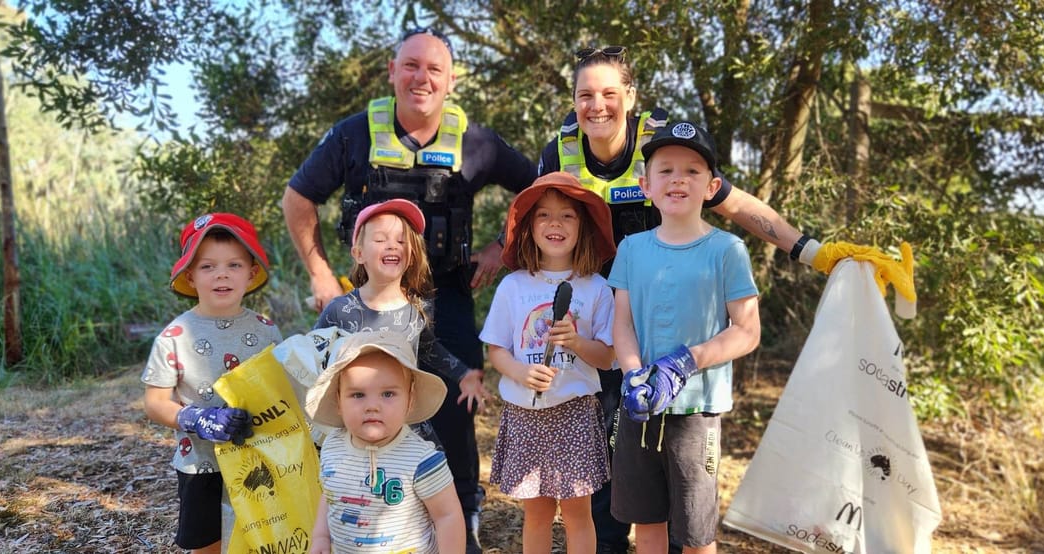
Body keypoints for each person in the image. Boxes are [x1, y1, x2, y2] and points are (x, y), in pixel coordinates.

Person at [538, 45, 913, 554]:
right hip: (603, 324)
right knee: (612, 464)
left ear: (630, 96)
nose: (596, 106)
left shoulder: (666, 150)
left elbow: (736, 205)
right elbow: (539, 222)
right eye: (585, 95)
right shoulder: (558, 151)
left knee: (682, 492)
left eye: (609, 93)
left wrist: (812, 251)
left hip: (670, 327)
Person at [283, 27, 538, 551]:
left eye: (435, 69)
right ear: (393, 72)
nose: (422, 77)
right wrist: (320, 274)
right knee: (349, 400)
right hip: (368, 299)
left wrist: (500, 248)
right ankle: (348, 515)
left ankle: (461, 510)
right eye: (412, 65)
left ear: (451, 81)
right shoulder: (353, 136)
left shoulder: (478, 143)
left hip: (446, 295)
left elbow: (541, 187)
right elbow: (297, 198)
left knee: (454, 405)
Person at [609, 121, 761, 554]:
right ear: (645, 185)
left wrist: (687, 361)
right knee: (648, 524)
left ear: (712, 186)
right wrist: (635, 374)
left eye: (693, 171)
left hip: (697, 409)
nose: (678, 179)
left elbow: (747, 330)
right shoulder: (631, 249)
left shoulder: (727, 249)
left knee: (696, 534)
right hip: (639, 406)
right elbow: (623, 323)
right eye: (666, 170)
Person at [479, 172, 619, 554]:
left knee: (578, 515)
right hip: (525, 414)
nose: (555, 224)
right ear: (528, 227)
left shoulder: (596, 289)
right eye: (543, 215)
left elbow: (607, 358)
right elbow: (496, 351)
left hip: (575, 413)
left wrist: (576, 342)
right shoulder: (513, 286)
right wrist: (522, 372)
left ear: (583, 227)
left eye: (567, 216)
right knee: (536, 516)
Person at [141, 213, 284, 554]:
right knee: (208, 543)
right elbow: (155, 402)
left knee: (260, 537)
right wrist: (194, 419)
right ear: (190, 276)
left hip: (258, 457)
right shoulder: (174, 337)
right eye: (208, 267)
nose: (221, 274)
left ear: (251, 273)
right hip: (201, 463)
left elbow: (281, 390)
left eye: (234, 265)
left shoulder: (267, 330)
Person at [314, 199, 489, 420]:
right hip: (354, 422)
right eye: (380, 239)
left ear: (412, 254)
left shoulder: (416, 310)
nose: (392, 245)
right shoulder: (339, 310)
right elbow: (312, 355)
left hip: (402, 423)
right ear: (359, 254)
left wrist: (463, 374)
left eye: (401, 240)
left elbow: (428, 348)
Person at [304, 330, 466, 554]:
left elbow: (447, 516)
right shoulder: (332, 446)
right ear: (338, 401)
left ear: (410, 400)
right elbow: (330, 493)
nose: (373, 406)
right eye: (358, 395)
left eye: (388, 394)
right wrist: (321, 537)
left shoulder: (422, 460)